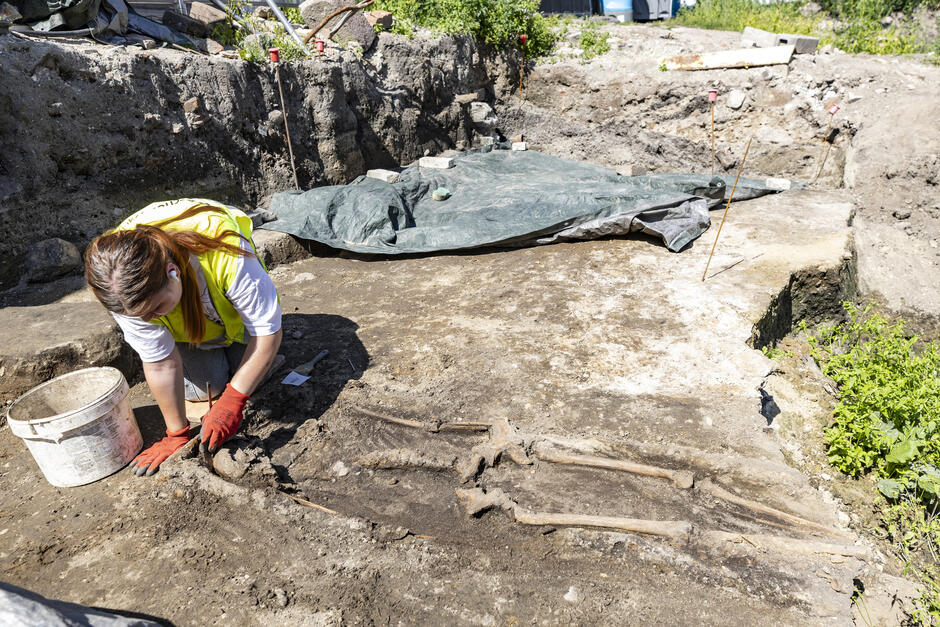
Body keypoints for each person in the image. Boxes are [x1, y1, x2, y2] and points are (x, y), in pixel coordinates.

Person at [85, 199, 282, 476]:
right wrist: (175, 434)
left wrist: (233, 400)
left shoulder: (225, 253)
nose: (147, 321)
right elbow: (159, 363)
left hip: (236, 320)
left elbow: (266, 333)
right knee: (204, 388)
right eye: (139, 315)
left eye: (155, 308)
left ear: (173, 272)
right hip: (195, 328)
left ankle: (237, 357)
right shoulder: (117, 285)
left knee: (257, 369)